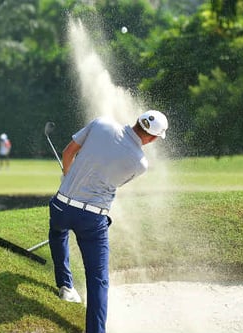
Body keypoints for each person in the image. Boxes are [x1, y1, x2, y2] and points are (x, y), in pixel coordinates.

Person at [48, 110, 168, 333]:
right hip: (92, 219)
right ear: (152, 138)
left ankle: (65, 286)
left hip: (61, 206)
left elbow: (68, 153)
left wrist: (68, 177)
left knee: (57, 232)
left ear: (137, 121)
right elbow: (112, 182)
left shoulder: (101, 123)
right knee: (98, 279)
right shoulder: (140, 164)